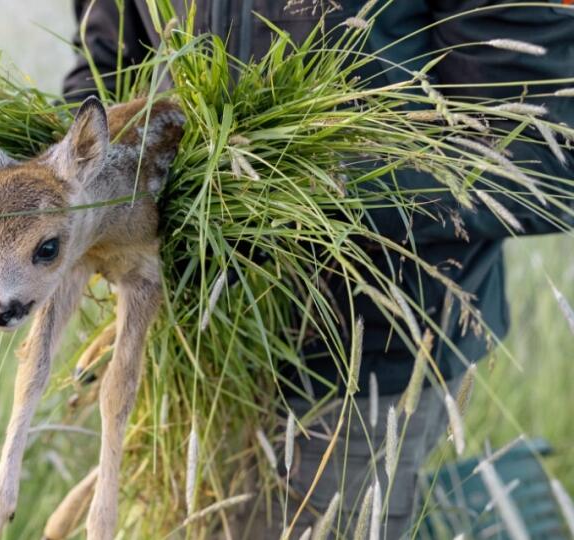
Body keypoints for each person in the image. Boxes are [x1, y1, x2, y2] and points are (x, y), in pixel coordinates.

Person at [62, 0, 574, 537]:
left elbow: (547, 146)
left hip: (362, 363)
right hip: (180, 348)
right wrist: (55, 183)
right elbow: (103, 68)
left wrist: (300, 194)